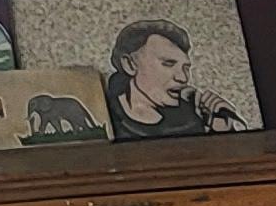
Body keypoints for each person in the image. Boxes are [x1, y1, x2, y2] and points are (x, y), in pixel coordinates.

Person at [101, 19, 241, 139]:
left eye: (186, 68)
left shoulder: (192, 120)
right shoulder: (102, 112)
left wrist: (222, 132)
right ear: (130, 64)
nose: (183, 78)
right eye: (168, 64)